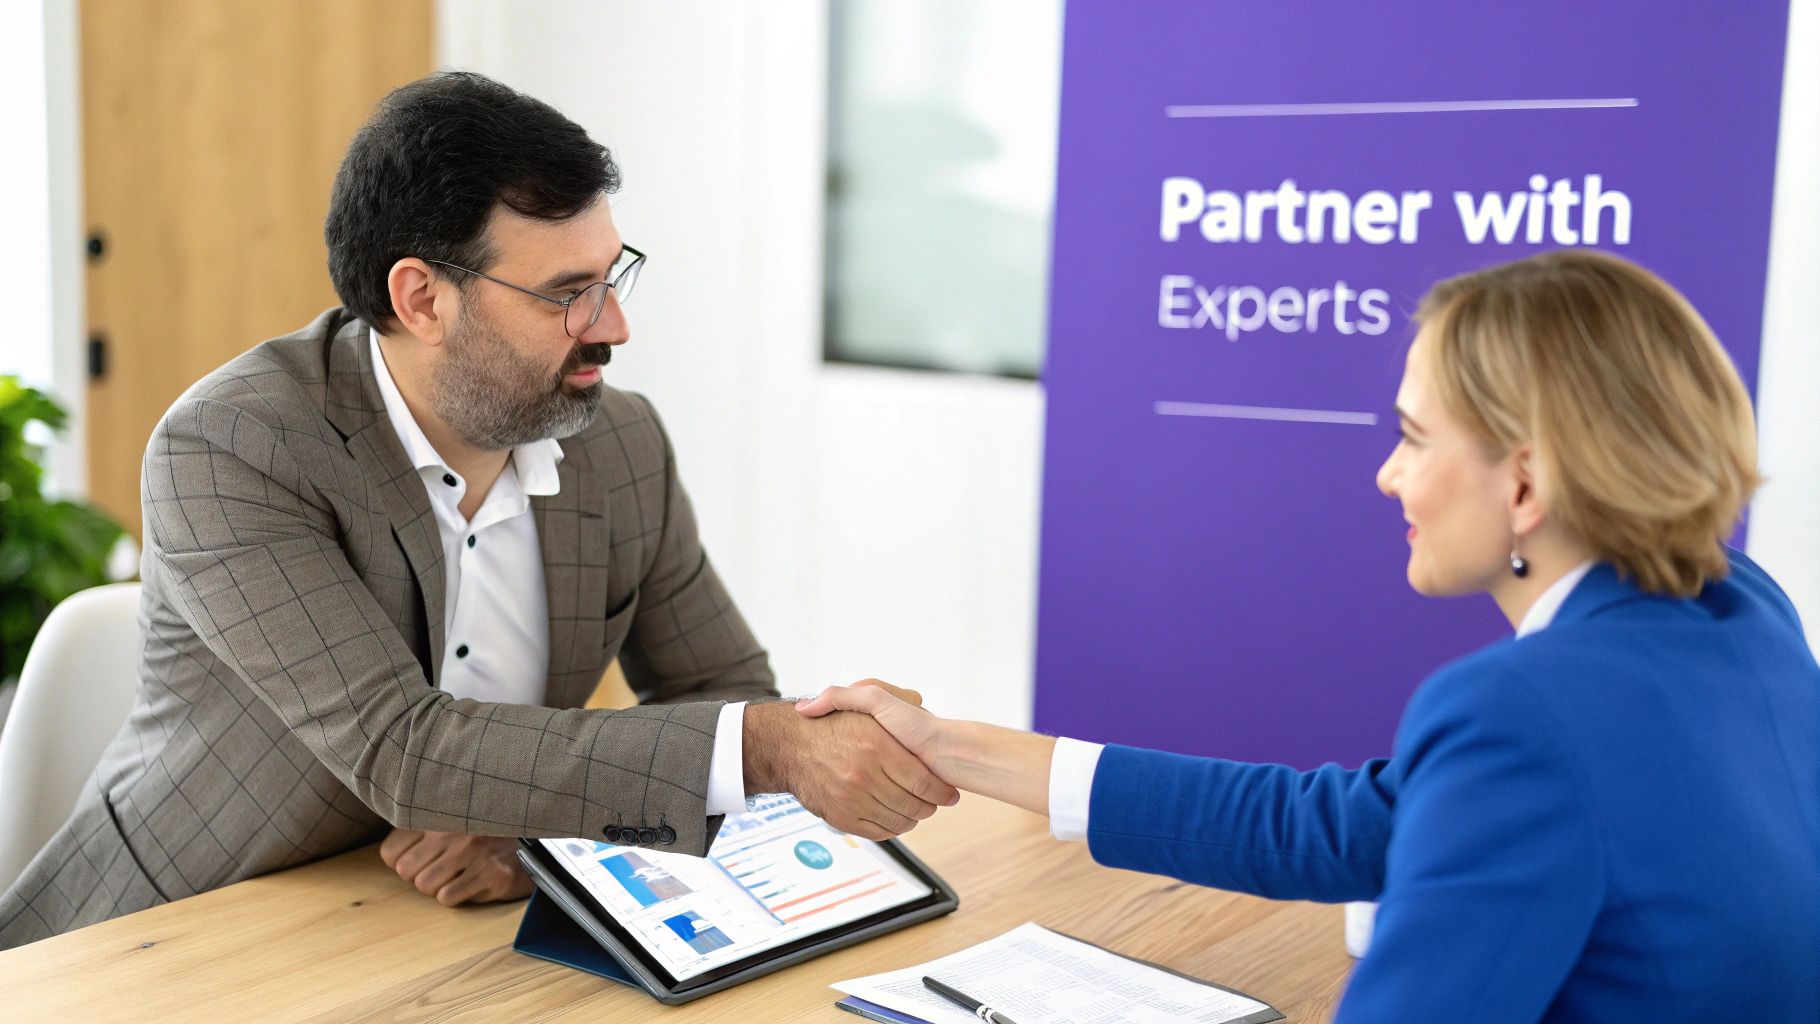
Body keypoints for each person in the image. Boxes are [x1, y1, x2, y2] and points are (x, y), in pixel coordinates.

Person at [0, 72, 955, 949]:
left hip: (434, 935)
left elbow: (721, 683)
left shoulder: (619, 444)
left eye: (612, 277)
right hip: (174, 930)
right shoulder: (232, 446)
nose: (614, 325)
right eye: (566, 294)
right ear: (420, 298)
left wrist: (530, 836)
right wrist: (771, 746)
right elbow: (400, 747)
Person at [799, 250, 1820, 1021]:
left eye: (1414, 438)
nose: (1387, 474)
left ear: (1522, 481)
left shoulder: (1523, 713)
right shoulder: (1741, 609)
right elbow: (1333, 826)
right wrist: (949, 749)